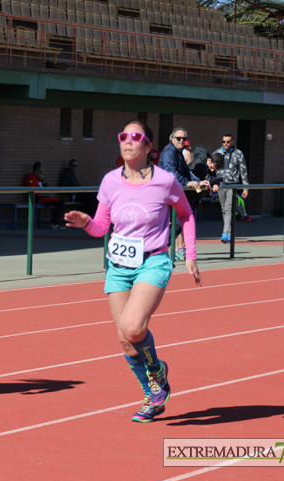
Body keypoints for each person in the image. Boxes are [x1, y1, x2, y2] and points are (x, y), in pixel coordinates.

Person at [65, 119, 203, 423]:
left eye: (135, 136)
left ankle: (156, 369)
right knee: (125, 339)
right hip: (118, 266)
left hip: (153, 260)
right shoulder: (110, 181)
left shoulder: (165, 181)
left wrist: (190, 255)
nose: (128, 140)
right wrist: (86, 222)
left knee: (133, 326)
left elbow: (186, 215)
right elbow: (102, 227)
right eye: (123, 135)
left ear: (148, 146)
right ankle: (152, 394)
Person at [159, 127, 207, 260]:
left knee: (178, 222)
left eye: (184, 139)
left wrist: (198, 181)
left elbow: (186, 171)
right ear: (172, 139)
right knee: (174, 223)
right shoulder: (170, 151)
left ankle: (157, 250)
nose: (181, 141)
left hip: (173, 192)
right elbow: (170, 171)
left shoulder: (178, 152)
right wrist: (186, 183)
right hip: (165, 193)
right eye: (178, 138)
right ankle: (156, 250)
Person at [213, 134, 250, 243]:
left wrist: (245, 187)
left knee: (229, 208)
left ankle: (225, 233)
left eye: (228, 142)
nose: (226, 144)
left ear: (232, 142)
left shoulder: (238, 154)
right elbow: (212, 169)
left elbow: (243, 170)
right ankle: (228, 232)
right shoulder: (217, 153)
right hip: (220, 185)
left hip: (232, 184)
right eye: (224, 141)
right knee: (224, 209)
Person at [24, 161, 65, 230]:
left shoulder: (39, 177)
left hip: (43, 197)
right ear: (39, 169)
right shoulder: (30, 178)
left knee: (60, 203)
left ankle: (56, 223)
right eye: (42, 168)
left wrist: (44, 180)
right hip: (37, 198)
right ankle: (54, 224)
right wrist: (46, 194)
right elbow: (34, 192)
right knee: (60, 203)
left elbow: (45, 188)